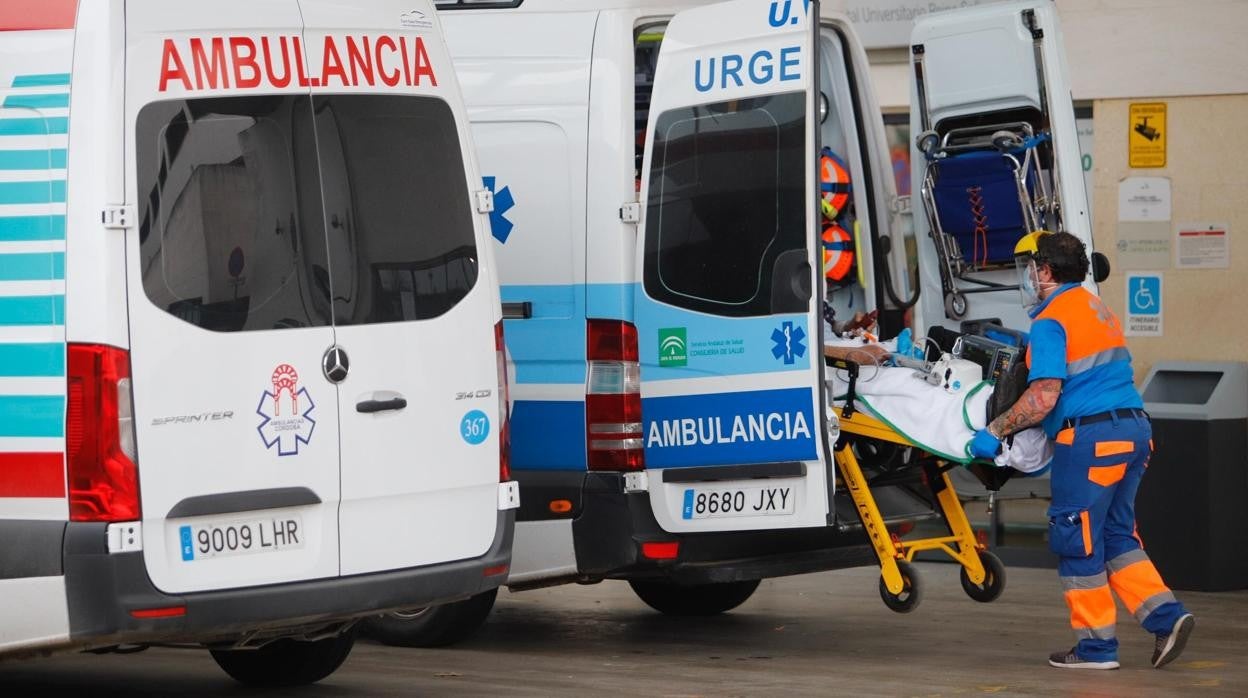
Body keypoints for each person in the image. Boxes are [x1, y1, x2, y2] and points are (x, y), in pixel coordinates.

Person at [969, 231, 1195, 670]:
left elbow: (1045, 395)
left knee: (1077, 540)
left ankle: (1096, 648)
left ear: (1046, 272)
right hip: (1133, 432)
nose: (1029, 278)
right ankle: (1167, 619)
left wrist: (995, 430)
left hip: (1090, 440)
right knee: (1115, 536)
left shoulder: (1052, 319)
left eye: (1031, 269)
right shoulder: (1096, 309)